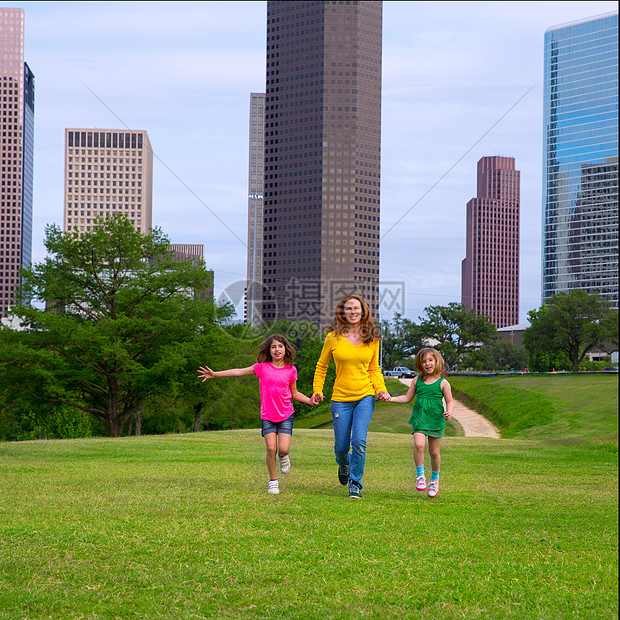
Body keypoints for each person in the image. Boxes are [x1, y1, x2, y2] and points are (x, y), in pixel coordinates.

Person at [197, 334, 315, 495]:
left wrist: (310, 401)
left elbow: (294, 393)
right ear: (269, 350)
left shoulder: (291, 370)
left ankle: (284, 456)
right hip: (267, 416)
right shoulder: (262, 367)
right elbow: (239, 371)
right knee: (270, 448)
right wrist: (216, 374)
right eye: (273, 347)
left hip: (285, 415)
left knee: (284, 449)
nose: (277, 349)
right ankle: (273, 482)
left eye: (280, 346)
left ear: (285, 349)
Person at [312, 294, 390, 499]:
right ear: (342, 312)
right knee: (341, 447)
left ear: (363, 311)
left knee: (359, 441)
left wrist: (380, 388)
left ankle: (355, 483)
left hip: (365, 395)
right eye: (349, 308)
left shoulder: (372, 337)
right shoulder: (332, 337)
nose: (353, 312)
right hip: (340, 398)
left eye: (356, 308)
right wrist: (317, 390)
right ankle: (344, 463)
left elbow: (374, 369)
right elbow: (321, 366)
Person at [386, 347, 454, 498]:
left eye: (430, 360)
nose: (427, 364)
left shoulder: (443, 383)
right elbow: (406, 397)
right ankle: (420, 476)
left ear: (437, 362)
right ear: (419, 364)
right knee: (419, 445)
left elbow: (450, 401)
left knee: (434, 452)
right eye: (424, 361)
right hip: (420, 418)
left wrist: (450, 412)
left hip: (435, 419)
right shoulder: (417, 381)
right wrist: (390, 398)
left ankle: (434, 480)